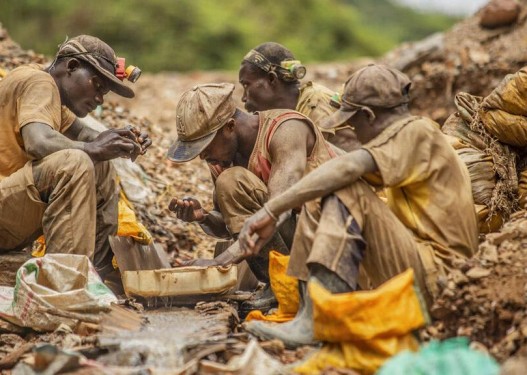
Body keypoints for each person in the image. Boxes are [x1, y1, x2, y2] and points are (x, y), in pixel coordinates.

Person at [237, 64, 479, 348]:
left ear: (369, 115)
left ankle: (320, 319)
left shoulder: (417, 133)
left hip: (438, 277)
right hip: (419, 266)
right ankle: (310, 310)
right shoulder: (404, 143)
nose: (353, 132)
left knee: (343, 187)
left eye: (353, 124)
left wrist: (270, 210)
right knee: (323, 186)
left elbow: (347, 168)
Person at [167, 83, 339, 311]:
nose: (203, 156)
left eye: (205, 146)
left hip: (333, 239)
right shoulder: (222, 159)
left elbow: (278, 210)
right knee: (230, 181)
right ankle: (280, 285)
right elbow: (234, 225)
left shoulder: (286, 130)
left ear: (229, 127)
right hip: (298, 243)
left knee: (232, 181)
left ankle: (297, 287)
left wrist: (220, 262)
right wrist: (204, 217)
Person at [0, 35, 151, 280]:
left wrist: (119, 139)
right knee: (75, 161)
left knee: (96, 160)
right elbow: (39, 142)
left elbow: (84, 133)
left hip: (9, 211)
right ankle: (67, 285)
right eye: (98, 86)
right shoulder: (39, 81)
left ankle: (99, 273)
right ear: (71, 67)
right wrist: (93, 149)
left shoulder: (50, 95)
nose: (101, 98)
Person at [238, 42, 360, 153]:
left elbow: (324, 163)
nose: (243, 98)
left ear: (271, 79)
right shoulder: (287, 114)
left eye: (246, 85)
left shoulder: (316, 104)